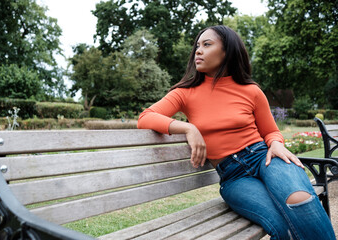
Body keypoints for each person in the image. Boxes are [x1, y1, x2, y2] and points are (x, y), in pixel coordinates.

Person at [137, 25, 336, 240]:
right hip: (234, 177)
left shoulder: (251, 91)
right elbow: (146, 117)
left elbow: (271, 132)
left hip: (266, 158)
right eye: (197, 46)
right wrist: (188, 127)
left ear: (227, 51)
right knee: (282, 227)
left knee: (299, 199)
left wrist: (277, 143)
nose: (198, 50)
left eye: (207, 44)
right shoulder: (184, 93)